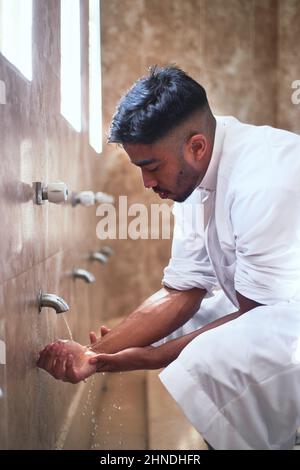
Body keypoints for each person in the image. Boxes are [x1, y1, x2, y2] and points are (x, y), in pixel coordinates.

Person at [37, 65, 300, 450]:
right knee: (198, 323)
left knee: (215, 357)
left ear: (196, 146)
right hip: (276, 310)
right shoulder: (197, 178)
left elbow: (255, 316)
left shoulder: (262, 179)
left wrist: (151, 356)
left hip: (281, 317)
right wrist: (93, 356)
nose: (146, 183)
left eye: (151, 167)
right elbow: (183, 291)